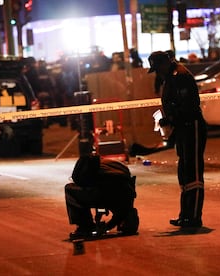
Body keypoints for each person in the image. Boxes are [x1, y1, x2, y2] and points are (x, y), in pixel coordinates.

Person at [148, 51, 207, 228]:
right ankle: (186, 215)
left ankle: (194, 216)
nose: (157, 73)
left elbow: (187, 106)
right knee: (184, 171)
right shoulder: (171, 77)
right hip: (182, 128)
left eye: (158, 69)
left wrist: (171, 119)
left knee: (193, 172)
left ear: (165, 64)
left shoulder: (180, 76)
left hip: (192, 126)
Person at [65, 154, 139, 240]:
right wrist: (109, 225)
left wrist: (108, 226)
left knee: (69, 189)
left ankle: (85, 226)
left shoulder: (91, 172)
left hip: (105, 193)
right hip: (120, 194)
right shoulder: (115, 166)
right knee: (124, 208)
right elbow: (126, 202)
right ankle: (127, 221)